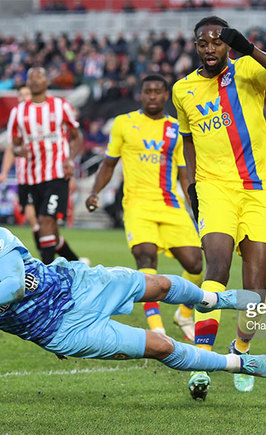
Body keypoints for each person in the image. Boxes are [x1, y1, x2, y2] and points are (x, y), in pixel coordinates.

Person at [0, 218, 266, 384]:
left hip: (78, 283)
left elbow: (14, 284)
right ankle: (242, 364)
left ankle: (208, 299)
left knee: (157, 285)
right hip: (64, 330)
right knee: (159, 346)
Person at [171, 16, 266, 398]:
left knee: (256, 293)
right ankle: (202, 362)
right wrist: (192, 183)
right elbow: (188, 139)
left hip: (258, 191)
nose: (209, 48)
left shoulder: (247, 68)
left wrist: (251, 49)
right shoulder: (183, 89)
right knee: (218, 268)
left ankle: (241, 350)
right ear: (196, 47)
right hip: (214, 190)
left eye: (216, 42)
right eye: (202, 43)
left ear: (227, 44)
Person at [86, 74, 203, 341]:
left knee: (196, 265)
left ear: (165, 96)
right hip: (137, 206)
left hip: (171, 206)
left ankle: (184, 313)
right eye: (147, 91)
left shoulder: (176, 128)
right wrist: (95, 192)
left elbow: (184, 174)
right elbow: (108, 163)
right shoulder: (124, 123)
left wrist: (195, 205)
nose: (152, 95)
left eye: (157, 91)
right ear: (141, 94)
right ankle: (158, 330)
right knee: (146, 258)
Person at [4, 73, 84, 265]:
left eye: (40, 77)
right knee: (44, 224)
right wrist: (18, 150)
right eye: (31, 78)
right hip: (29, 177)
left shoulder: (60, 106)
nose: (35, 81)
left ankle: (45, 270)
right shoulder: (18, 112)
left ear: (47, 82)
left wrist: (71, 160)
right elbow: (13, 145)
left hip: (56, 174)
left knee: (45, 220)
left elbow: (76, 135)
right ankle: (76, 263)